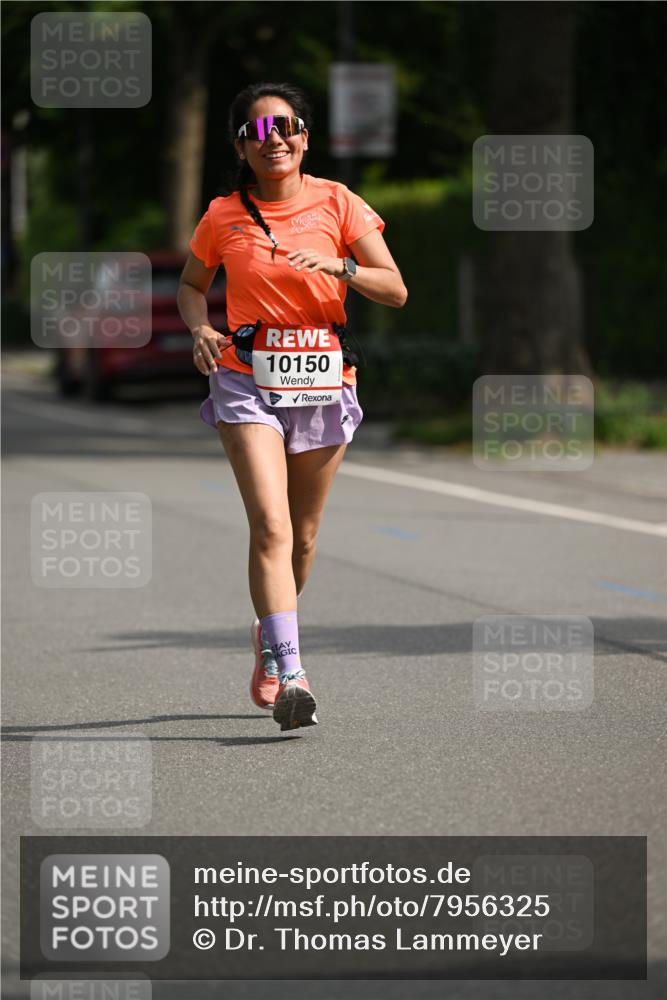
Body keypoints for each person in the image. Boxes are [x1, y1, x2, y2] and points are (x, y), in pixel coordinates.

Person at [177, 82, 407, 732]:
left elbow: (394, 289)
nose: (272, 138)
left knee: (303, 538)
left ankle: (267, 634)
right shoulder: (222, 214)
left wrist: (340, 268)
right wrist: (199, 328)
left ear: (303, 136)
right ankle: (292, 672)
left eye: (284, 127)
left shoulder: (339, 202)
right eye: (256, 131)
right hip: (244, 377)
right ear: (241, 147)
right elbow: (193, 286)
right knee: (271, 528)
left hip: (324, 381)